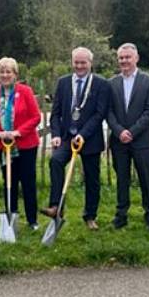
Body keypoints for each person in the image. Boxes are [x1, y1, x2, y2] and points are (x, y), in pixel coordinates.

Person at [41, 47, 109, 230]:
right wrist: (55, 135)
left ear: (90, 63)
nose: (79, 66)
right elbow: (55, 113)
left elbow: (99, 114)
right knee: (55, 161)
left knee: (92, 178)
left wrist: (83, 134)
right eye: (76, 62)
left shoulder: (101, 84)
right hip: (67, 137)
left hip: (90, 139)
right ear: (72, 62)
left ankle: (90, 216)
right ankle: (56, 207)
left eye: (83, 62)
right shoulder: (63, 82)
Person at [0, 57, 42, 230]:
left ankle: (32, 220)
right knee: (9, 180)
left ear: (15, 74)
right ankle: (12, 216)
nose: (5, 75)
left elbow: (35, 117)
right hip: (4, 145)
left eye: (9, 71)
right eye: (2, 71)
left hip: (25, 145)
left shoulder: (25, 91)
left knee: (28, 182)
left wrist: (18, 132)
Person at [106, 43, 149, 232]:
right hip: (119, 141)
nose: (124, 61)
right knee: (122, 179)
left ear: (136, 58)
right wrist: (120, 131)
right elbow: (108, 111)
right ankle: (121, 216)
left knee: (146, 179)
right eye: (121, 58)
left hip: (141, 140)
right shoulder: (111, 83)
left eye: (128, 57)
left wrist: (133, 132)